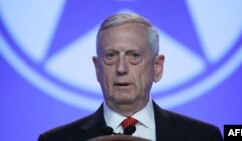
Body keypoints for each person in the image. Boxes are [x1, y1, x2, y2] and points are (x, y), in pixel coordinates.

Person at [38, 13, 223, 141]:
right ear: (97, 68)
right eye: (111, 56)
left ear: (157, 67)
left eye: (134, 55)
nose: (121, 68)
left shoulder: (203, 136)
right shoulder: (56, 140)